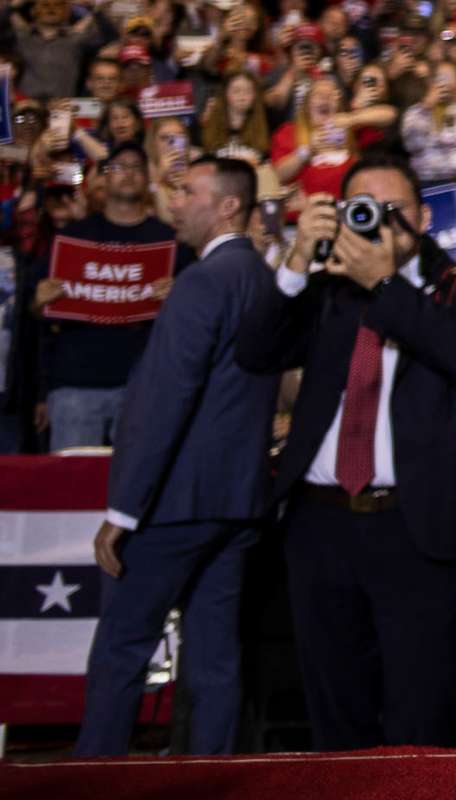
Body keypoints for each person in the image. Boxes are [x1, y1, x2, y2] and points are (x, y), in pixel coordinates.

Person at [234, 147, 456, 749]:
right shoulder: (327, 286)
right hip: (319, 524)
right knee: (336, 714)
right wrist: (295, 260)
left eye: (395, 209)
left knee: (420, 713)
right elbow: (255, 352)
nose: (381, 222)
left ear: (427, 216)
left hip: (413, 528)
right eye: (365, 208)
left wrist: (383, 282)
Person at [77, 156, 279, 755]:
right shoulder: (260, 278)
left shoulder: (203, 281)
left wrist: (123, 510)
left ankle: (93, 784)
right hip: (236, 504)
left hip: (174, 505)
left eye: (188, 191)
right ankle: (208, 781)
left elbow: (165, 400)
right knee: (214, 658)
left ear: (227, 207)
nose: (174, 201)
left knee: (121, 650)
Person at [35, 141, 183, 448]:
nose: (127, 174)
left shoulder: (170, 242)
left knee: (140, 490)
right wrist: (38, 301)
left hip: (145, 387)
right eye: (118, 167)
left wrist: (178, 299)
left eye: (136, 167)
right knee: (72, 490)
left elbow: (192, 320)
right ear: (103, 177)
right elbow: (36, 314)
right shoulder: (72, 238)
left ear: (148, 177)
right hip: (76, 384)